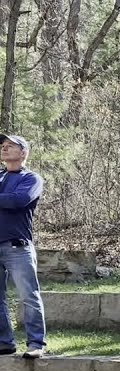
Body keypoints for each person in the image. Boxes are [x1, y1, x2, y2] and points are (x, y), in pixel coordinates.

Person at [0, 134, 47, 359]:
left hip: (18, 247)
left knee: (29, 295)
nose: (4, 149)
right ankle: (5, 343)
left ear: (24, 152)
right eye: (3, 146)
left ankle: (36, 343)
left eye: (10, 146)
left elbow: (20, 200)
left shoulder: (32, 178)